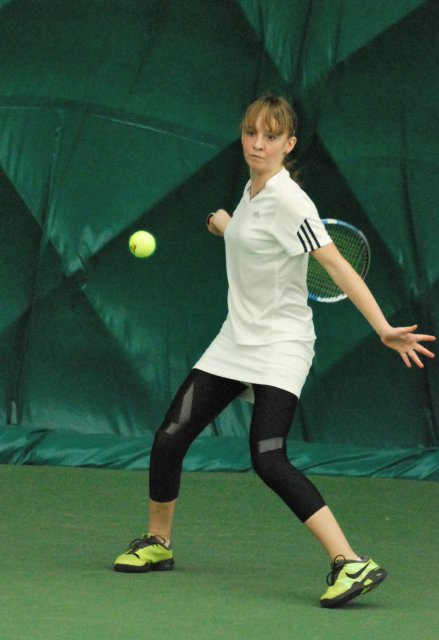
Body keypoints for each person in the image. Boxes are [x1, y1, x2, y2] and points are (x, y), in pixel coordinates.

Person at [114, 95, 436, 608]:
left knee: (267, 457)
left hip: (281, 345)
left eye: (270, 136)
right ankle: (157, 543)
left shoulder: (291, 202)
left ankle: (349, 562)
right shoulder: (252, 190)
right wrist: (226, 225)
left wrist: (382, 327)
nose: (257, 144)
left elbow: (336, 264)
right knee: (170, 436)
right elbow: (253, 239)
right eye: (251, 133)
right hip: (235, 340)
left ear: (289, 144)